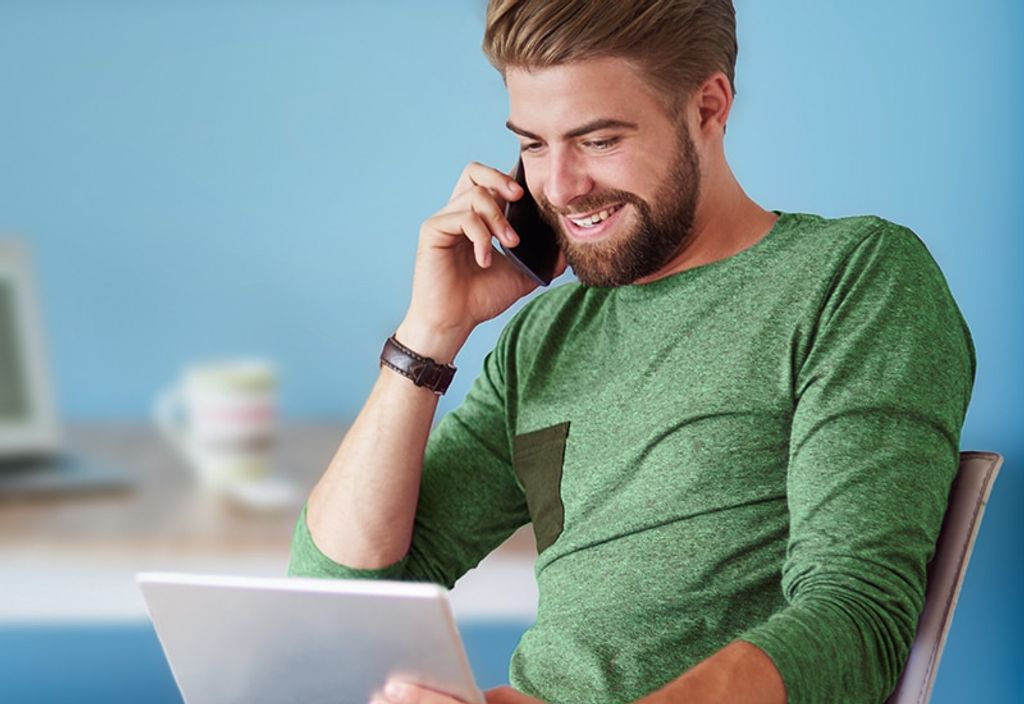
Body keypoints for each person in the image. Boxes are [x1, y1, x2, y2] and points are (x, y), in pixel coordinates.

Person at [286, 1, 977, 703]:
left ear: (709, 106)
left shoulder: (853, 278)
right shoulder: (544, 339)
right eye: (532, 144)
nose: (557, 187)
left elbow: (856, 622)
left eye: (598, 140)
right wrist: (428, 334)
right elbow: (334, 606)